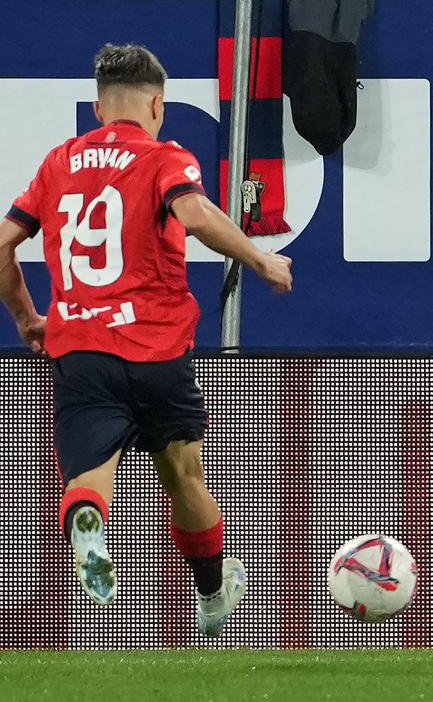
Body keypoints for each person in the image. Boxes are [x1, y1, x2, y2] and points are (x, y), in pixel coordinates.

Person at [0, 43, 293, 636]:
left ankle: (88, 524)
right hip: (158, 347)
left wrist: (28, 317)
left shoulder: (58, 163)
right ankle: (212, 593)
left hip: (79, 347)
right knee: (183, 475)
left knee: (86, 479)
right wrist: (259, 259)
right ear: (157, 103)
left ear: (98, 105)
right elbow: (195, 215)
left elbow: (3, 243)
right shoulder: (164, 156)